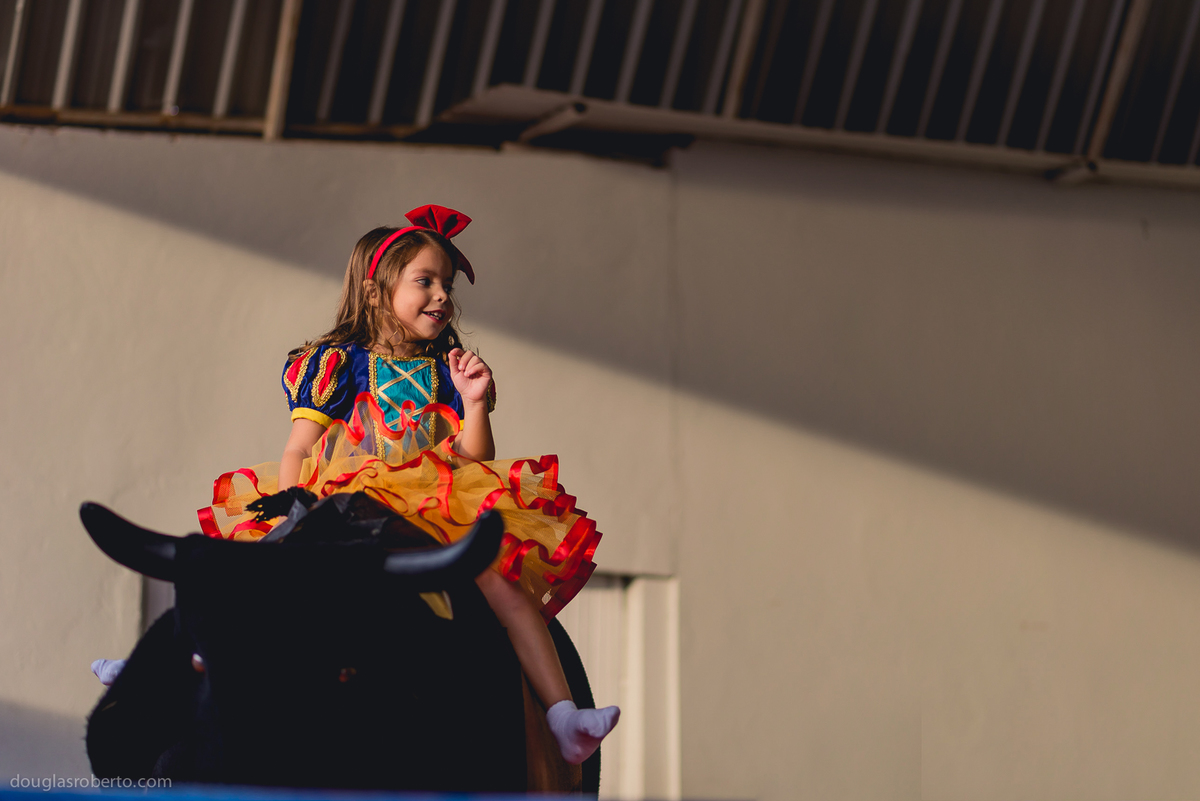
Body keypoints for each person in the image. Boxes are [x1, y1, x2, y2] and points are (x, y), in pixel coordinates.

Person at [193, 205, 618, 766]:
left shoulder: (450, 368)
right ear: (375, 292)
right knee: (238, 576)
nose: (442, 296)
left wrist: (472, 403)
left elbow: (474, 457)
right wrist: (293, 508)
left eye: (447, 284)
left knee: (501, 583)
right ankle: (170, 667)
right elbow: (298, 447)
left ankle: (563, 716)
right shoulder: (334, 365)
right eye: (425, 281)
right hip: (340, 504)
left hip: (431, 504)